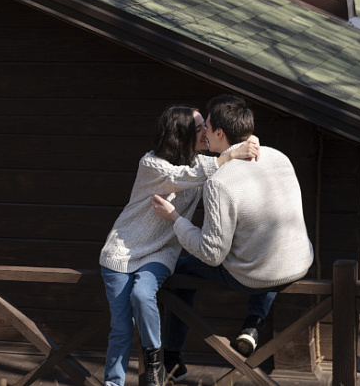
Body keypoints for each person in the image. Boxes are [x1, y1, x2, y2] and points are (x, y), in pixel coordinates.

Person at [152, 95, 314, 381]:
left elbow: (212, 254)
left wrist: (176, 219)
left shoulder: (219, 182)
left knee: (181, 271)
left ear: (220, 133)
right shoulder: (278, 156)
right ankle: (253, 323)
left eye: (207, 127)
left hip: (256, 274)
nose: (203, 133)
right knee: (263, 244)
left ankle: (172, 357)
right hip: (299, 261)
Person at [99, 105, 259, 386]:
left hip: (162, 252)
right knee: (121, 329)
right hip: (121, 250)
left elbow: (228, 159)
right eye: (199, 129)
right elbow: (183, 177)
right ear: (181, 135)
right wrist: (231, 154)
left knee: (142, 294)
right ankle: (113, 383)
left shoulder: (202, 164)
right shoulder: (150, 164)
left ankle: (153, 362)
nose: (206, 133)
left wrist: (251, 141)